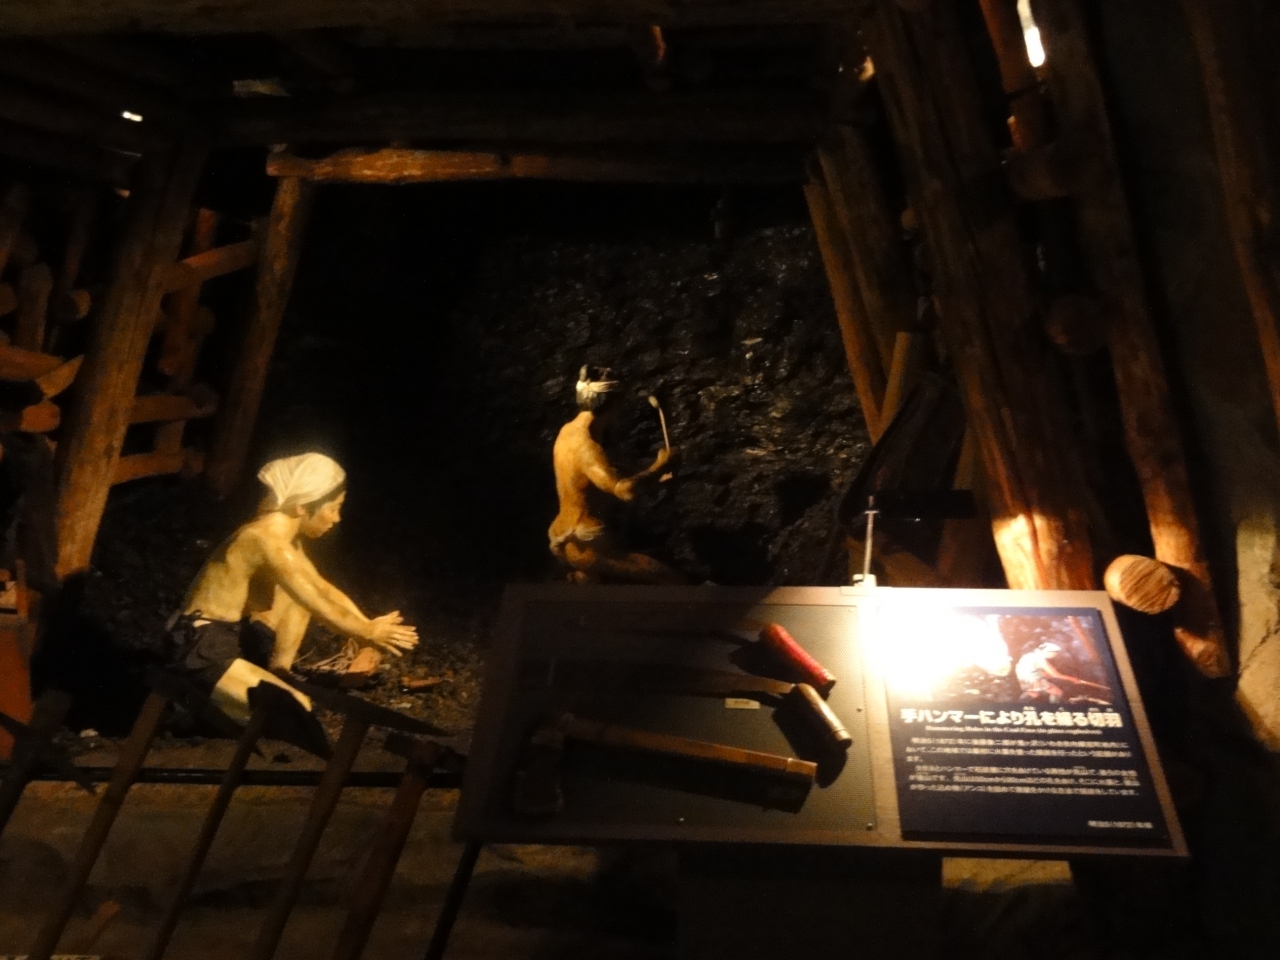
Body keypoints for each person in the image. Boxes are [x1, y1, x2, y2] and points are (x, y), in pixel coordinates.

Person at [168, 453, 418, 727]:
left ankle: (278, 673)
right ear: (301, 506)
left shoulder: (287, 544)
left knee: (296, 597)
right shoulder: (265, 540)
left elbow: (321, 589)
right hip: (199, 644)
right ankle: (192, 706)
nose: (336, 518)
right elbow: (316, 601)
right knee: (294, 709)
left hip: (236, 636)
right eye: (332, 508)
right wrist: (367, 632)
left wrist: (366, 627)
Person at [548, 366, 682, 584]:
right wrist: (659, 465)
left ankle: (584, 580)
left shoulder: (567, 431)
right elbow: (624, 490)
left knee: (594, 585)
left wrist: (655, 481)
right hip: (586, 542)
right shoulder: (586, 446)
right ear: (612, 404)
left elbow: (586, 483)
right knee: (667, 578)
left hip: (567, 534)